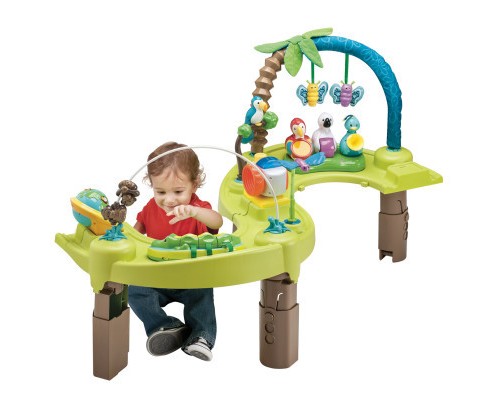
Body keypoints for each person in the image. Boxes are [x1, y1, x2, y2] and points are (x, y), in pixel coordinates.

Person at [128, 142, 223, 361]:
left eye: (178, 191)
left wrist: (194, 212)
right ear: (151, 185)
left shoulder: (198, 208)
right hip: (156, 277)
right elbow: (134, 235)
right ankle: (166, 327)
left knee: (202, 295)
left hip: (191, 278)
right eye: (160, 191)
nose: (169, 200)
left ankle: (201, 337)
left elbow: (217, 221)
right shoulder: (151, 208)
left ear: (194, 185)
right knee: (133, 291)